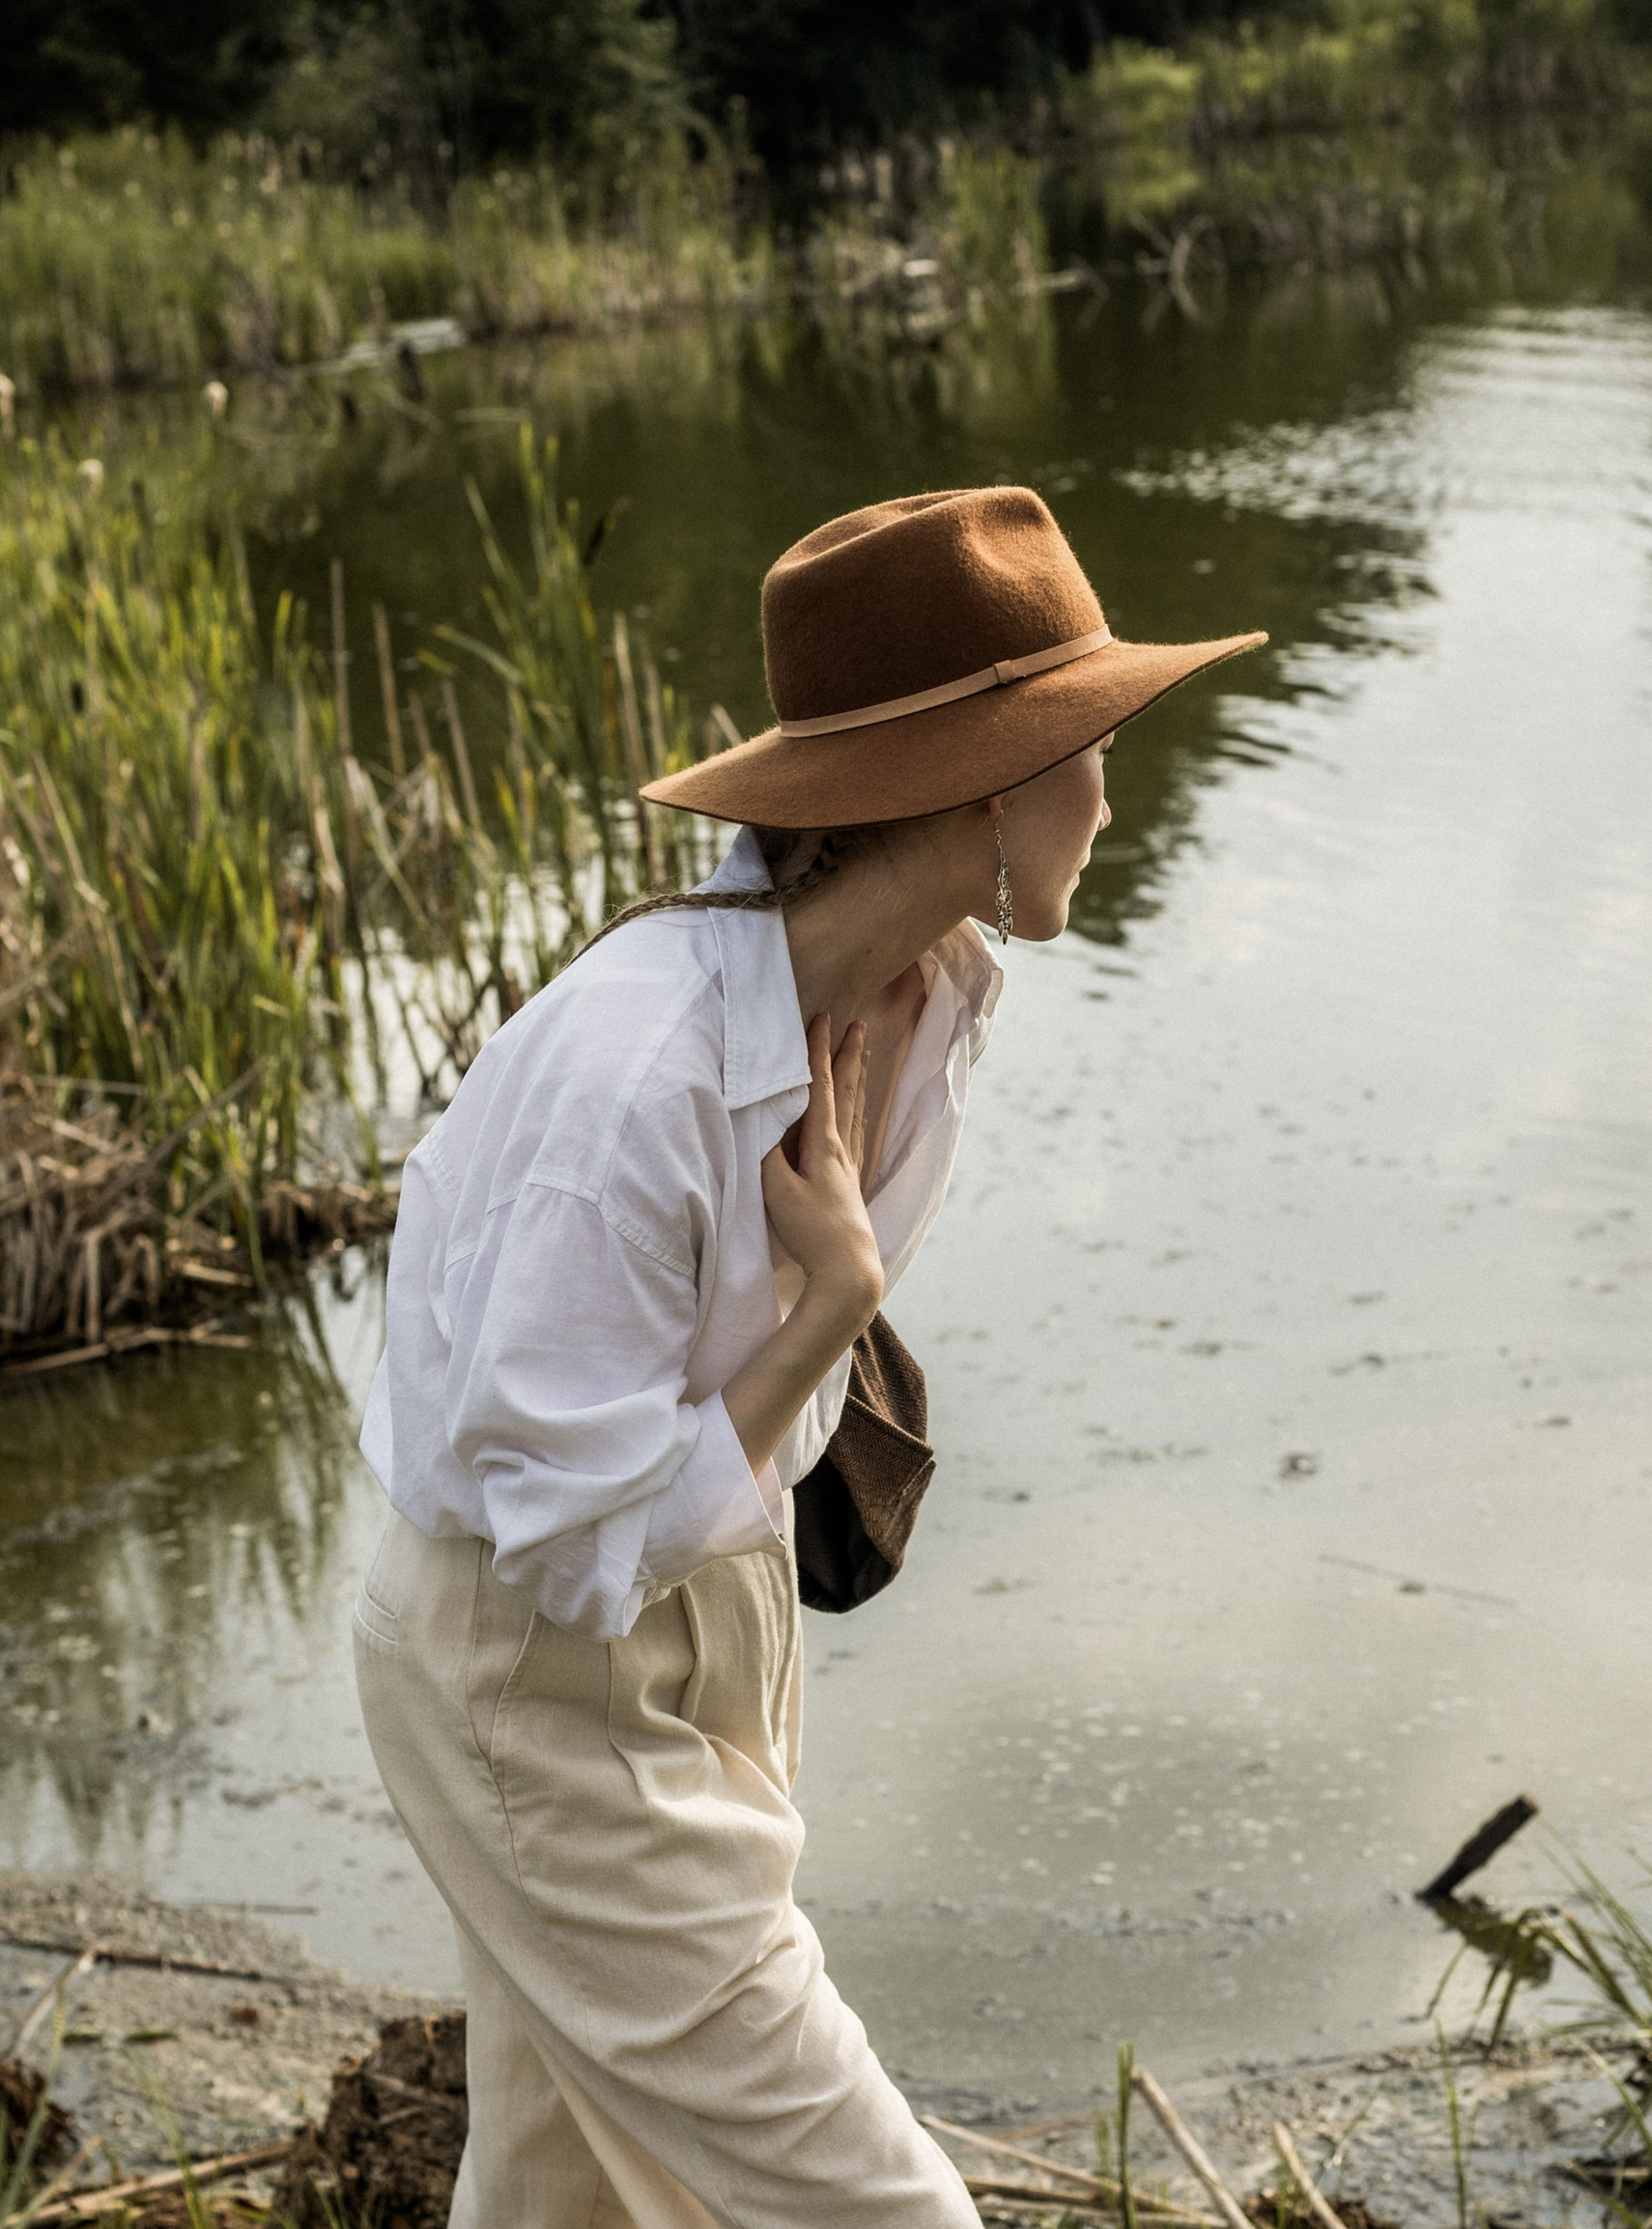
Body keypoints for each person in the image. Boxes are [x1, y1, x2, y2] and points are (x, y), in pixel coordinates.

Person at [354, 486, 1264, 2227]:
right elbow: (563, 1539)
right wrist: (831, 1306)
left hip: (708, 1628)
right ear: (989, 781)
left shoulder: (925, 1001)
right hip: (537, 1679)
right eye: (1086, 743)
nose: (1109, 785)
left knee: (563, 2199)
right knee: (887, 2211)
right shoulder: (639, 1077)